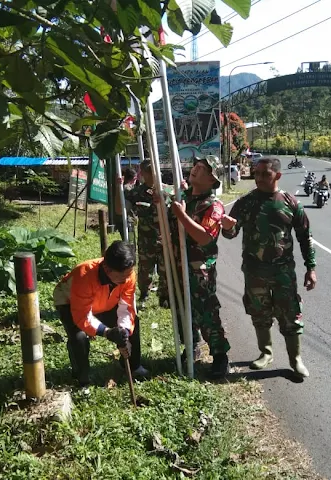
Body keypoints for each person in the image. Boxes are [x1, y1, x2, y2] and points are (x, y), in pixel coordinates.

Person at [221, 157, 317, 378]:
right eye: (256, 173)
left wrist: (310, 268)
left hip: (283, 271)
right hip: (255, 270)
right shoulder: (246, 203)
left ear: (278, 176)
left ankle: (296, 359)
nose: (259, 178)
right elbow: (231, 232)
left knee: (291, 314)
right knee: (259, 313)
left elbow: (305, 237)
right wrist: (227, 228)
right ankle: (266, 353)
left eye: (265, 174)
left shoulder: (290, 202)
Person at [161, 156, 231, 379]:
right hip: (175, 264)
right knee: (181, 308)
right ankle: (191, 347)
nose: (196, 169)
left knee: (206, 312)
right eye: (196, 166)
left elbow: (204, 238)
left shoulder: (213, 206)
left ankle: (220, 356)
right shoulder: (182, 198)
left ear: (213, 180)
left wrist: (181, 216)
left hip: (198, 269)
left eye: (203, 169)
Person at [53, 241, 148, 386]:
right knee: (78, 337)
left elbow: (126, 305)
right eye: (122, 276)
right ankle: (82, 378)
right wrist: (108, 332)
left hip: (105, 302)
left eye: (129, 274)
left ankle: (133, 366)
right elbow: (82, 317)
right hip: (70, 302)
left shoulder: (128, 275)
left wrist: (124, 331)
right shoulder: (83, 275)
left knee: (134, 323)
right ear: (107, 269)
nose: (127, 279)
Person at [120, 160, 169, 308]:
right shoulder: (137, 192)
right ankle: (144, 294)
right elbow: (121, 209)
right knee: (144, 270)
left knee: (165, 270)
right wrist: (119, 188)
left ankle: (164, 297)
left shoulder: (167, 191)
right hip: (146, 239)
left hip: (165, 238)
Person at [114, 167, 138, 242]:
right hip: (126, 219)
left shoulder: (122, 187)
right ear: (134, 178)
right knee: (130, 241)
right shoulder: (128, 189)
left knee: (128, 239)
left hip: (122, 219)